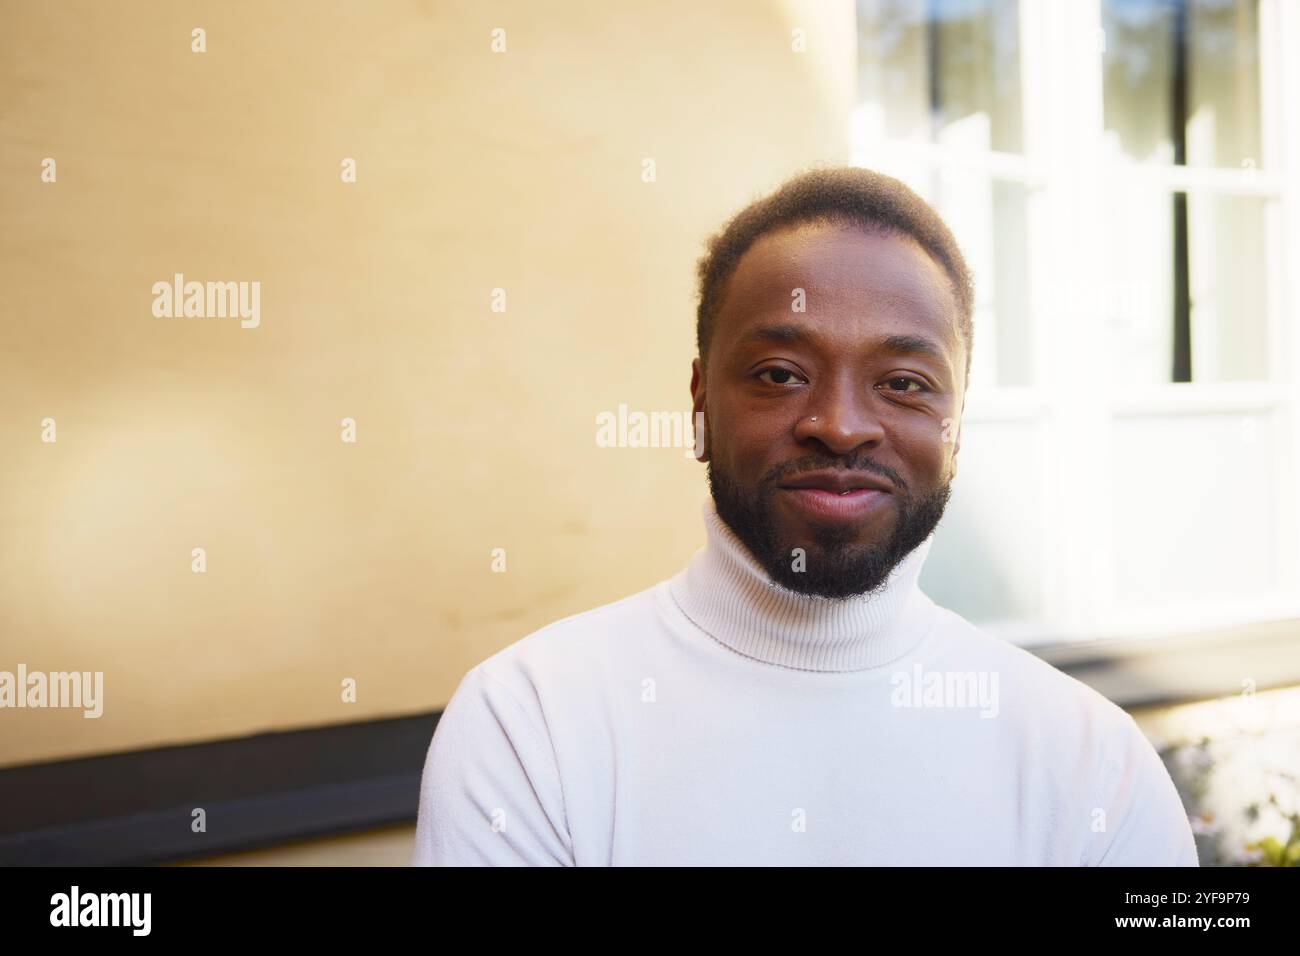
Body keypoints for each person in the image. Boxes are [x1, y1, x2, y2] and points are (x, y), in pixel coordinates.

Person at [411, 166, 1199, 866]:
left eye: (903, 382)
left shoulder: (1094, 765)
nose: (841, 423)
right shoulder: (531, 724)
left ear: (958, 422)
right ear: (699, 405)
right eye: (781, 373)